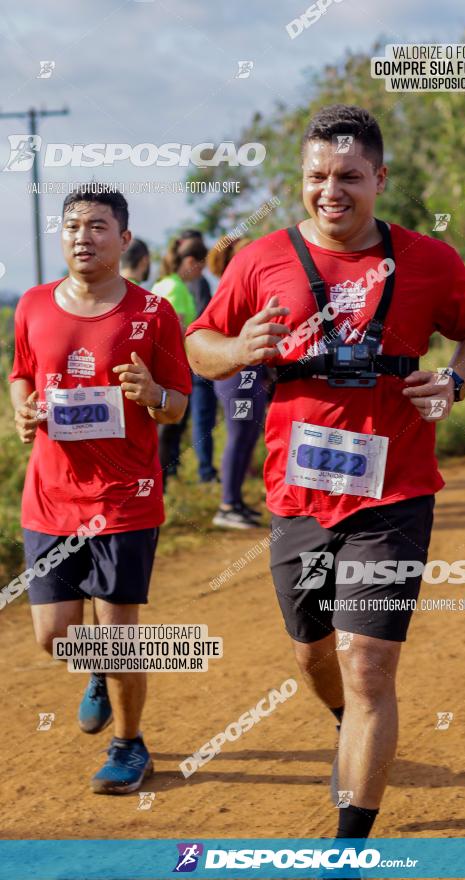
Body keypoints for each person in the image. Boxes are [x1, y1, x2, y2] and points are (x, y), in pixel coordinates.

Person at [186, 104, 465, 843]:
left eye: (349, 176)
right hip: (297, 495)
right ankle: (342, 721)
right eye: (317, 176)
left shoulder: (429, 260)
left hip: (394, 494)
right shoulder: (259, 258)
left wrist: (454, 382)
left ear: (379, 179)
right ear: (302, 179)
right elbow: (198, 345)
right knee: (312, 650)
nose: (332, 190)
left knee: (368, 667)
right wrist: (235, 351)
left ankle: (347, 844)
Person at [10, 184, 191, 794]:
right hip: (51, 497)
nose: (81, 237)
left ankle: (130, 745)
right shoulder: (33, 304)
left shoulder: (153, 313)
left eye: (96, 226)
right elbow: (20, 376)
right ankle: (96, 669)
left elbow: (179, 404)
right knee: (54, 633)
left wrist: (154, 396)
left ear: (124, 238)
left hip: (124, 498)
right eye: (72, 226)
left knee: (119, 639)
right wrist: (21, 413)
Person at [208, 237, 268, 529]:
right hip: (236, 377)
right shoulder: (230, 288)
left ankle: (237, 502)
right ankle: (227, 504)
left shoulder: (250, 285)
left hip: (251, 374)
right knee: (238, 434)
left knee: (248, 436)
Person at [152, 235, 218, 486]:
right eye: (201, 267)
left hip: (170, 368)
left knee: (169, 429)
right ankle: (160, 484)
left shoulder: (164, 283)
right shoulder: (176, 288)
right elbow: (177, 333)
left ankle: (162, 482)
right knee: (168, 429)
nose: (201, 274)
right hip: (172, 369)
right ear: (190, 261)